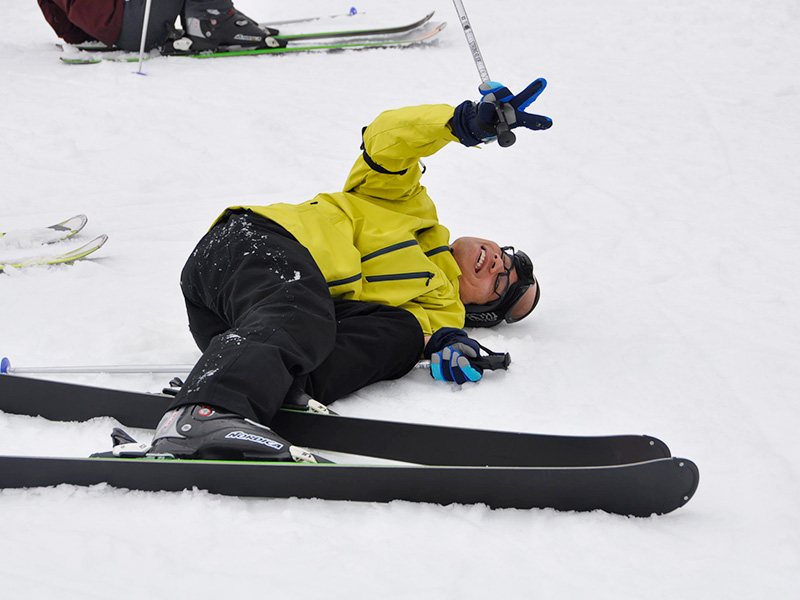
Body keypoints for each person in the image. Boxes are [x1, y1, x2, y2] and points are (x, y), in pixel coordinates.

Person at [146, 80, 552, 463]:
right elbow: (386, 140)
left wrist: (445, 344)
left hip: (247, 330)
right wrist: (460, 123)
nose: (501, 263)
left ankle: (270, 390)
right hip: (249, 246)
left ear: (479, 311)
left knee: (400, 335)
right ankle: (203, 414)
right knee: (301, 304)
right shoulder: (407, 206)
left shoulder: (438, 313)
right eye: (509, 256)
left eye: (503, 285)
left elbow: (408, 336)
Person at [37, 0, 280, 54]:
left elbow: (59, 18)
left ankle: (213, 13)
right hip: (129, 26)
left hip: (114, 26)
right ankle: (214, 21)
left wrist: (88, 36)